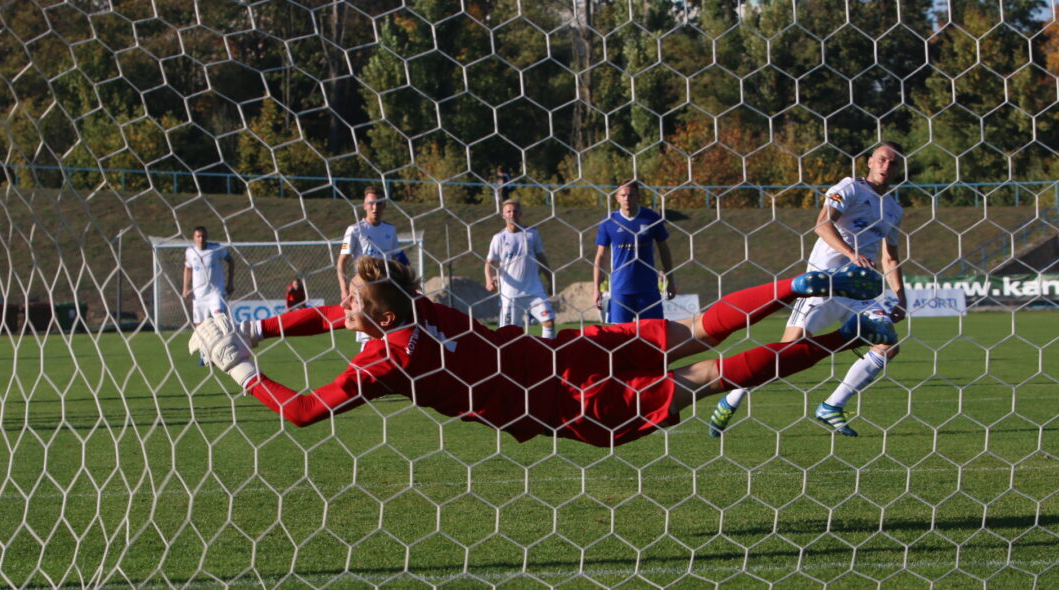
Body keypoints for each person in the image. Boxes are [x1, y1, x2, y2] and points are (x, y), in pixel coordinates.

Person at [190, 257, 896, 449]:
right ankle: (793, 285)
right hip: (564, 351)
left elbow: (304, 411)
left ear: (378, 316)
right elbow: (329, 313)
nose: (339, 306)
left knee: (704, 374)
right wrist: (261, 328)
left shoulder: (388, 359)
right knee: (699, 330)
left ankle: (847, 336)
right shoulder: (418, 307)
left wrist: (242, 367)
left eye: (350, 300)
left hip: (566, 401)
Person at [708, 141, 907, 438]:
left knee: (887, 344)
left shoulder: (893, 209)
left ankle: (832, 406)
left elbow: (890, 258)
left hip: (859, 291)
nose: (886, 166)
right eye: (881, 159)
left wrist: (901, 298)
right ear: (869, 161)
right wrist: (852, 254)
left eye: (893, 162)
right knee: (787, 354)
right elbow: (822, 225)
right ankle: (733, 397)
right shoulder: (850, 188)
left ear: (899, 168)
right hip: (823, 284)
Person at [336, 186, 410, 349]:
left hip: (386, 291)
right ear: (364, 206)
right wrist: (344, 290)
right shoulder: (354, 230)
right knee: (368, 336)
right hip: (364, 292)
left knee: (389, 335)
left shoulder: (390, 230)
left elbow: (399, 258)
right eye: (371, 203)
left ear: (384, 205)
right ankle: (365, 363)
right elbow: (342, 261)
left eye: (379, 203)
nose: (375, 207)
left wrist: (409, 279)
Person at [593, 180, 677, 323]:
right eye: (623, 195)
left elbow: (664, 250)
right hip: (620, 291)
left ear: (638, 196)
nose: (627, 198)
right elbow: (600, 256)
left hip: (648, 289)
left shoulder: (651, 218)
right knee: (619, 335)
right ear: (617, 197)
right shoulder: (609, 222)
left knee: (652, 333)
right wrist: (596, 288)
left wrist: (671, 281)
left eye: (631, 195)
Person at [484, 200, 556, 339]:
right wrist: (489, 279)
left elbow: (542, 259)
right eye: (509, 211)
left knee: (549, 322)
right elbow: (489, 262)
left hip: (534, 291)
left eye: (515, 211)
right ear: (503, 215)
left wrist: (550, 280)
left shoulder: (531, 234)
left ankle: (548, 350)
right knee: (509, 334)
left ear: (521, 213)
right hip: (510, 294)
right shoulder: (499, 238)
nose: (512, 214)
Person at [182, 226, 234, 326]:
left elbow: (230, 260)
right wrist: (185, 288)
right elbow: (188, 268)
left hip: (216, 293)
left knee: (221, 322)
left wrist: (230, 282)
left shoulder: (216, 248)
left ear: (207, 237)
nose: (201, 239)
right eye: (198, 236)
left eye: (203, 236)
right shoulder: (190, 252)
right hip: (198, 295)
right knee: (199, 327)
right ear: (194, 238)